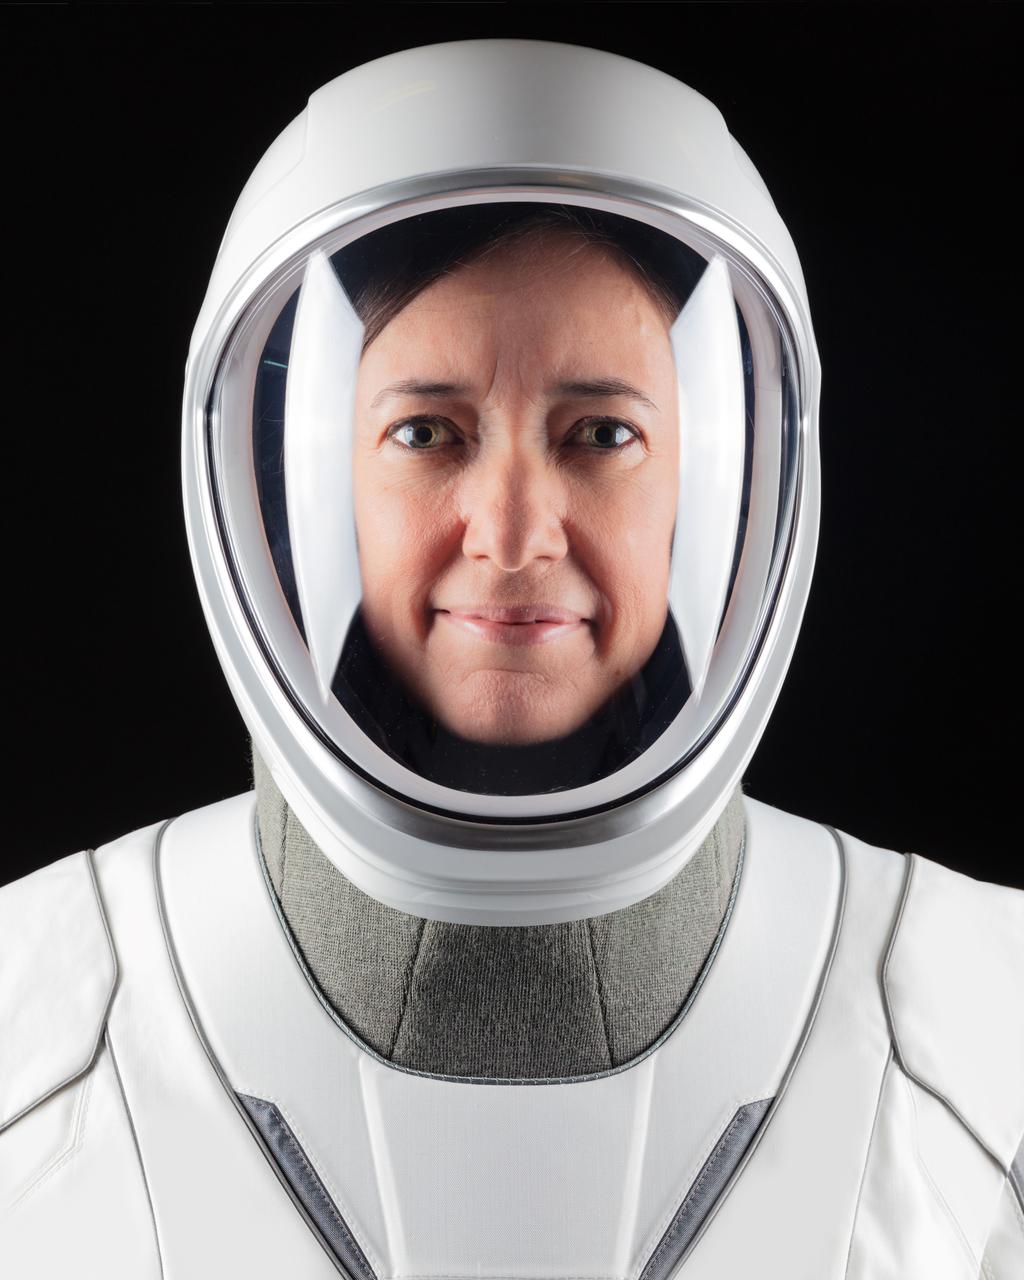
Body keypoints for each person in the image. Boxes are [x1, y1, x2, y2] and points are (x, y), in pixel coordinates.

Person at [1, 38, 1021, 1279]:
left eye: (602, 432)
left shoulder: (986, 1037)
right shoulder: (34, 1027)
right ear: (286, 494)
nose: (516, 529)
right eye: (427, 431)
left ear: (727, 492)